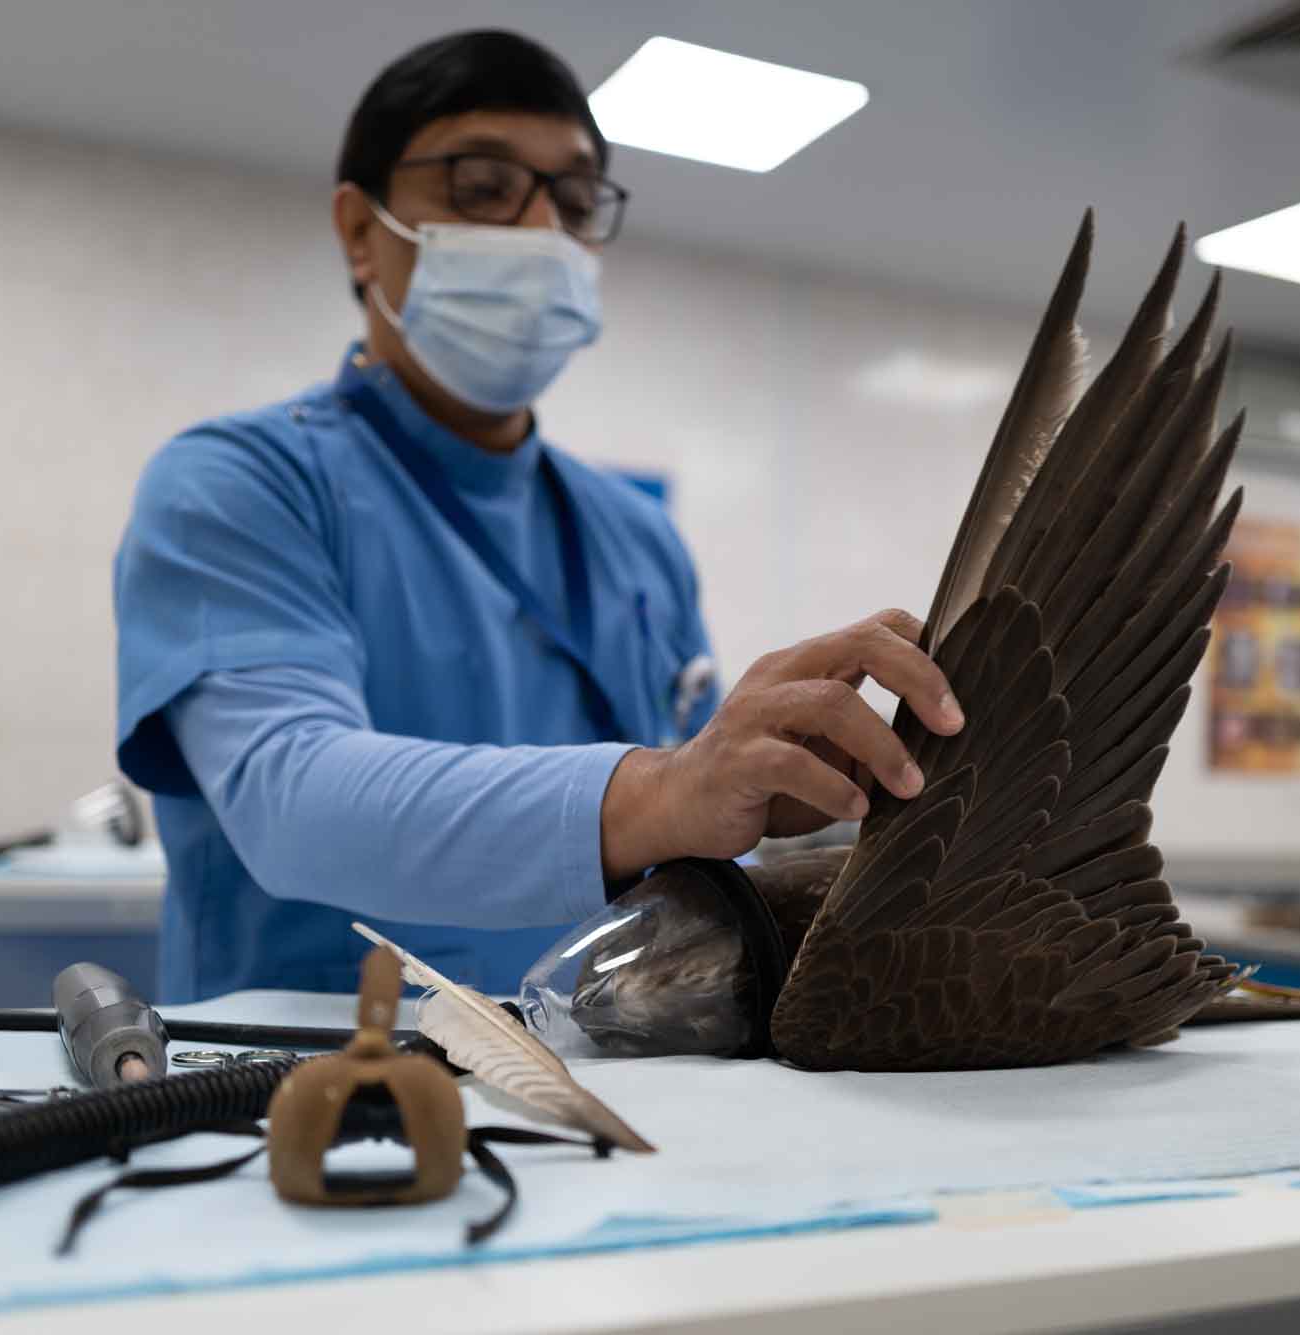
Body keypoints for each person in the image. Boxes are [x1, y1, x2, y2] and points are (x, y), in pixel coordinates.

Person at [114, 29, 963, 1001]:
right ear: (360, 229)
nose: (538, 233)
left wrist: (820, 788)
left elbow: (695, 831)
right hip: (300, 1088)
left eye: (571, 200)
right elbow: (290, 799)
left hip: (610, 1072)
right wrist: (663, 791)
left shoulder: (634, 539)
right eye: (480, 186)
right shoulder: (237, 483)